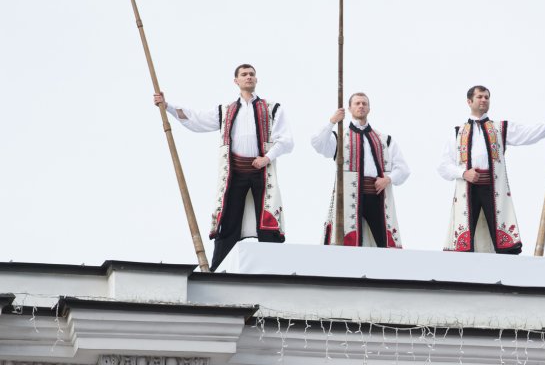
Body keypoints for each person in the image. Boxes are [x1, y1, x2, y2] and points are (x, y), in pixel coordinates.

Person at [154, 64, 293, 270]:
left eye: (252, 74)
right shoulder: (226, 110)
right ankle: (218, 271)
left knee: (267, 219)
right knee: (228, 218)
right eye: (244, 75)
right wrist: (168, 106)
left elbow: (287, 140)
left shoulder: (272, 108)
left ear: (257, 80)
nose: (248, 77)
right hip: (235, 172)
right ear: (236, 81)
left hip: (262, 172)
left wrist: (267, 158)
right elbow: (196, 119)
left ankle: (274, 268)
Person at [438, 85, 545, 254]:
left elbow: (533, 133)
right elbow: (443, 166)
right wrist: (463, 173)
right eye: (479, 97)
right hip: (468, 188)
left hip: (493, 189)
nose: (484, 100)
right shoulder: (457, 133)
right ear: (469, 101)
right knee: (465, 237)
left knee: (503, 239)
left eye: (487, 97)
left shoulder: (500, 128)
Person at [311, 93, 409, 248]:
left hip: (376, 193)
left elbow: (403, 169)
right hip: (350, 195)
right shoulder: (340, 136)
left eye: (364, 103)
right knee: (348, 237)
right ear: (349, 108)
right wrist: (332, 122)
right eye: (357, 103)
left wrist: (388, 179)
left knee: (384, 239)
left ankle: (387, 269)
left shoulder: (384, 139)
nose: (361, 106)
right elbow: (317, 143)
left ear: (369, 108)